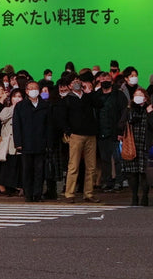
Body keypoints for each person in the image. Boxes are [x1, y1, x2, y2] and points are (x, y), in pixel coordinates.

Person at [56, 72, 104, 203]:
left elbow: (100, 104)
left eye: (78, 80)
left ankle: (88, 193)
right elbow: (62, 119)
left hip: (91, 134)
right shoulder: (66, 100)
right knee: (74, 165)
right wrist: (68, 132)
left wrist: (90, 92)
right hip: (76, 135)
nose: (76, 83)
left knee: (91, 166)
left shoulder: (88, 97)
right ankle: (69, 193)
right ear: (69, 86)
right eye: (73, 82)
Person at [118, 88, 153, 206]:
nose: (138, 97)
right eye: (136, 95)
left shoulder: (150, 110)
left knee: (144, 172)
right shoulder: (129, 110)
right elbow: (120, 124)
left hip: (145, 144)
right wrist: (129, 121)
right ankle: (134, 196)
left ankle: (145, 196)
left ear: (145, 98)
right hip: (132, 145)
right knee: (132, 173)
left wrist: (150, 113)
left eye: (140, 95)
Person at [13, 82, 50, 202]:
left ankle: (37, 194)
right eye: (30, 88)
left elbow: (49, 126)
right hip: (26, 143)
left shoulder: (45, 105)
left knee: (39, 171)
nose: (33, 90)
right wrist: (18, 143)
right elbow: (16, 126)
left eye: (35, 88)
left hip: (40, 143)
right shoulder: (20, 106)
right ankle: (28, 195)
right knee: (27, 170)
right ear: (26, 91)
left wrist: (48, 143)